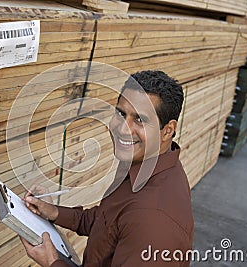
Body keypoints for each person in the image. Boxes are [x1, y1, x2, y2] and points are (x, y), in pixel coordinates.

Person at [21, 70, 194, 267]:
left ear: (168, 131)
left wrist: (53, 262)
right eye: (121, 113)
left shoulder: (153, 221)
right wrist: (54, 213)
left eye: (140, 120)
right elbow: (107, 222)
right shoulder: (141, 165)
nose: (122, 128)